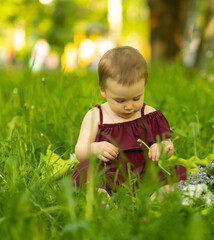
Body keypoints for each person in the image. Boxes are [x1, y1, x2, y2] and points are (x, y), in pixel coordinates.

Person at [72, 46, 186, 194]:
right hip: (108, 176)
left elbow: (168, 146)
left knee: (179, 171)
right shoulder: (96, 116)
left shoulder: (149, 115)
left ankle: (159, 195)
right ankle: (101, 196)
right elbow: (80, 151)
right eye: (120, 101)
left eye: (136, 98)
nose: (129, 106)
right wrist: (95, 148)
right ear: (103, 90)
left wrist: (162, 148)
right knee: (85, 169)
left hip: (146, 177)